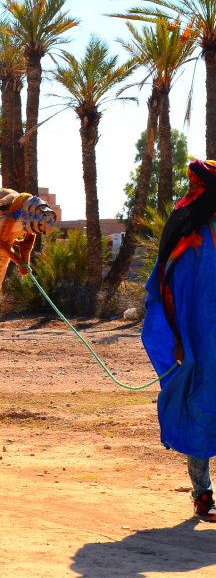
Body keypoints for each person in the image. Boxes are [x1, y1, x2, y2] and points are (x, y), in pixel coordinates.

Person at [142, 158, 216, 522]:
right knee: (200, 408)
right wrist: (175, 338)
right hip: (197, 343)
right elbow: (163, 290)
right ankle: (202, 494)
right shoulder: (183, 230)